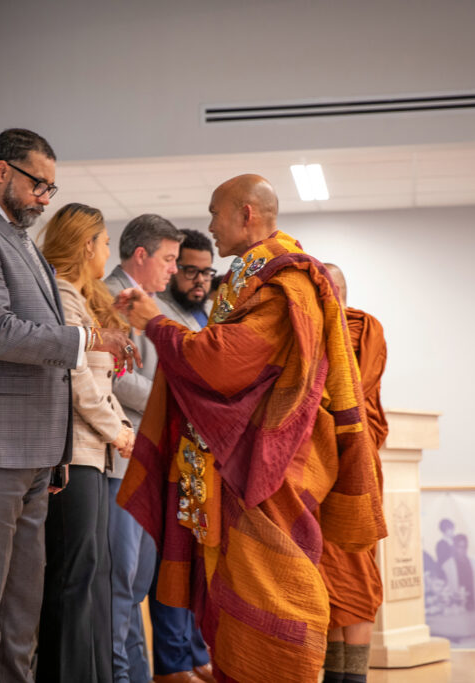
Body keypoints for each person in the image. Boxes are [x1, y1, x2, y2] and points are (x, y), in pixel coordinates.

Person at [116, 175, 386, 682]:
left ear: (247, 214)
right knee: (244, 608)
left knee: (280, 600)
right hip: (250, 467)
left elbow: (223, 360)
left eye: (216, 213)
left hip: (273, 469)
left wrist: (157, 322)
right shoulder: (253, 277)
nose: (211, 226)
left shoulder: (287, 280)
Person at [0, 128, 138, 683]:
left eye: (50, 187)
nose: (46, 197)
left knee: (22, 613)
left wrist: (59, 444)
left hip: (35, 449)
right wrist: (89, 341)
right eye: (39, 184)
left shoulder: (18, 240)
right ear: (2, 171)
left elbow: (38, 345)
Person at [36, 203, 135, 683]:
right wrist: (117, 430)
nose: (106, 251)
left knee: (92, 575)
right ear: (86, 244)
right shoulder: (59, 296)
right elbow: (76, 381)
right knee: (72, 578)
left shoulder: (80, 298)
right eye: (105, 241)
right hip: (70, 455)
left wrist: (122, 431)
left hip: (92, 455)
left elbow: (104, 387)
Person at [103, 214, 182, 683]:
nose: (173, 269)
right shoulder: (112, 298)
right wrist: (172, 396)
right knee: (121, 583)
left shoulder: (153, 304)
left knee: (136, 584)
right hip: (121, 456)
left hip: (148, 457)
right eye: (169, 259)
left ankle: (136, 674)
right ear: (141, 256)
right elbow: (111, 374)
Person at [150, 228, 216, 683]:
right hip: (162, 453)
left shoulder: (205, 318)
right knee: (171, 560)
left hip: (200, 457)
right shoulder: (157, 315)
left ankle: (194, 653)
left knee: (196, 559)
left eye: (206, 271)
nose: (198, 279)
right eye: (189, 269)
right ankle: (172, 663)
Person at [319, 263, 389, 683]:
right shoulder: (309, 334)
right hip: (320, 470)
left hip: (353, 465)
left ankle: (354, 678)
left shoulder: (364, 329)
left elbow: (349, 394)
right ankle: (337, 676)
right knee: (328, 573)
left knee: (355, 574)